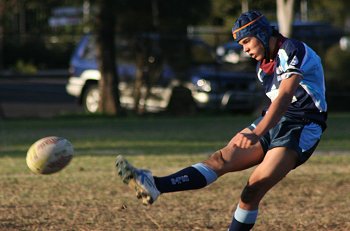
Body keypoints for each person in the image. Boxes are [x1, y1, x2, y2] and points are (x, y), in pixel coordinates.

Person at [115, 10, 327, 230]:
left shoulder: (292, 50)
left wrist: (256, 131)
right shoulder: (262, 68)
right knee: (220, 159)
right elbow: (276, 103)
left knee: (252, 190)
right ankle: (156, 184)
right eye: (241, 45)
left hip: (302, 125)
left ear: (262, 34)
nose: (244, 49)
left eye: (246, 42)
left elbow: (284, 98)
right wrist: (255, 127)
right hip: (275, 121)